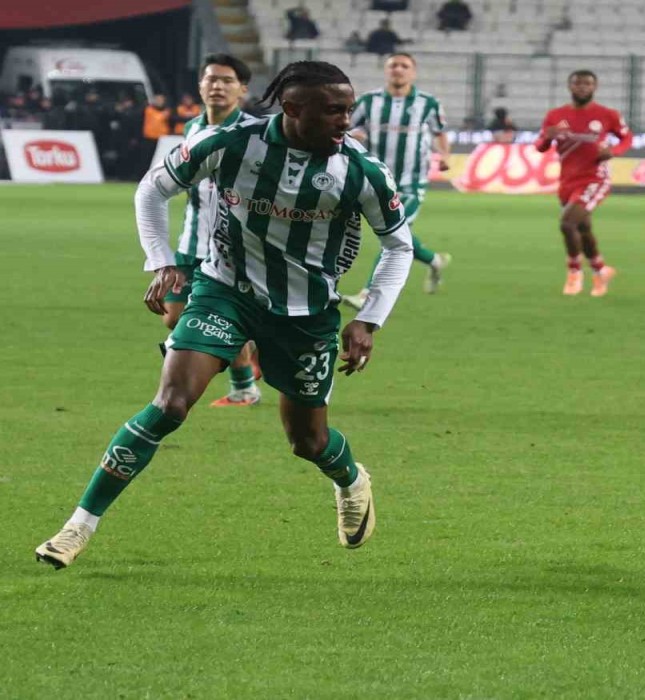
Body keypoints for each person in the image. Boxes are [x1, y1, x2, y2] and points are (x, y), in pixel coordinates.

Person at [34, 61, 416, 569]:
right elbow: (152, 189)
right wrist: (163, 261)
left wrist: (370, 318)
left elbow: (398, 246)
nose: (346, 120)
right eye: (333, 111)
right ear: (293, 109)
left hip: (305, 314)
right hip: (224, 291)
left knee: (308, 440)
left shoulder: (362, 170)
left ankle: (350, 479)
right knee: (169, 404)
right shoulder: (232, 143)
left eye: (348, 109)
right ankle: (76, 528)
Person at [168, 54, 261, 407]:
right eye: (211, 79)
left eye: (226, 80)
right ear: (200, 86)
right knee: (173, 318)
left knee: (217, 321)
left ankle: (244, 388)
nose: (217, 86)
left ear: (242, 89)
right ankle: (252, 345)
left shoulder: (254, 133)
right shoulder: (192, 129)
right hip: (191, 240)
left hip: (232, 249)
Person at [342, 53, 453, 308]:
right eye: (393, 65)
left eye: (404, 66)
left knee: (392, 235)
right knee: (395, 233)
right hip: (377, 178)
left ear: (413, 73)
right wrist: (355, 136)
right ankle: (434, 260)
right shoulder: (369, 102)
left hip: (412, 182)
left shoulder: (428, 103)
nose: (398, 70)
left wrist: (445, 154)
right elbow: (347, 127)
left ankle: (367, 295)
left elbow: (440, 132)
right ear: (386, 71)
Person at [534, 70, 633, 297]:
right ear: (570, 87)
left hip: (595, 179)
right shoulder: (556, 115)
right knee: (583, 228)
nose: (582, 87)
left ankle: (574, 273)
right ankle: (600, 271)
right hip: (567, 181)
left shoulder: (607, 115)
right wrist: (547, 136)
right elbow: (540, 146)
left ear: (594, 87)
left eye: (587, 83)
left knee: (567, 223)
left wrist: (613, 150)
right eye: (578, 83)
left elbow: (626, 137)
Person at [142, 94, 172, 161]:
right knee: (148, 158)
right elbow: (159, 117)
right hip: (150, 138)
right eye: (158, 100)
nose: (160, 102)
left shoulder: (167, 111)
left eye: (162, 100)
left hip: (162, 139)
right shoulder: (149, 110)